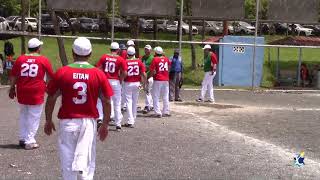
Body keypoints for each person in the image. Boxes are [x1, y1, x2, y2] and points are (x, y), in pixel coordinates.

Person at [44, 37, 113, 180]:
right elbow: (106, 101)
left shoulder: (63, 72)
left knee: (68, 163)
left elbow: (51, 98)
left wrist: (48, 120)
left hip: (68, 122)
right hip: (88, 122)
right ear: (90, 54)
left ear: (73, 53)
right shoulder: (98, 73)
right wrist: (105, 124)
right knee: (86, 162)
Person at [9, 38, 54, 150]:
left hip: (22, 90)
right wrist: (49, 88)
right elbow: (50, 76)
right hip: (36, 91)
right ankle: (29, 141)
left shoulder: (20, 59)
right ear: (38, 48)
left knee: (24, 114)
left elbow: (14, 75)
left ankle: (23, 138)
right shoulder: (43, 59)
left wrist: (11, 88)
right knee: (34, 116)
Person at [96, 42, 127, 131]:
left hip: (105, 80)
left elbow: (98, 69)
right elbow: (125, 72)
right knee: (117, 102)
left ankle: (100, 118)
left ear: (110, 49)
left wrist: (101, 78)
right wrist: (120, 79)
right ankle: (118, 124)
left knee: (100, 100)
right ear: (118, 50)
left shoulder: (104, 57)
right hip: (115, 81)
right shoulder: (120, 59)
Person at [123, 47, 147, 128]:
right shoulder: (139, 61)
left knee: (128, 102)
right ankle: (133, 118)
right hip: (137, 83)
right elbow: (144, 74)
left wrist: (121, 79)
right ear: (134, 53)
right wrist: (144, 84)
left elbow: (124, 73)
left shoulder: (125, 61)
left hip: (128, 83)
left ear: (127, 54)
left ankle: (130, 120)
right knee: (134, 102)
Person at [149, 46, 171, 118]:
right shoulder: (166, 58)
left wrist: (151, 76)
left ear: (156, 53)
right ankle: (166, 111)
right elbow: (169, 67)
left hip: (158, 79)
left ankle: (158, 112)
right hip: (166, 79)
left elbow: (152, 70)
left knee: (156, 96)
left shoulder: (155, 59)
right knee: (165, 96)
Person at [141, 44, 154, 113]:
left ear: (150, 50)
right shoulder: (143, 57)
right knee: (147, 91)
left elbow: (152, 69)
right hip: (144, 76)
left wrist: (148, 78)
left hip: (149, 77)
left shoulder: (152, 58)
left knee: (147, 91)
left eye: (147, 49)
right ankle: (151, 105)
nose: (146, 50)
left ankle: (147, 106)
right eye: (145, 49)